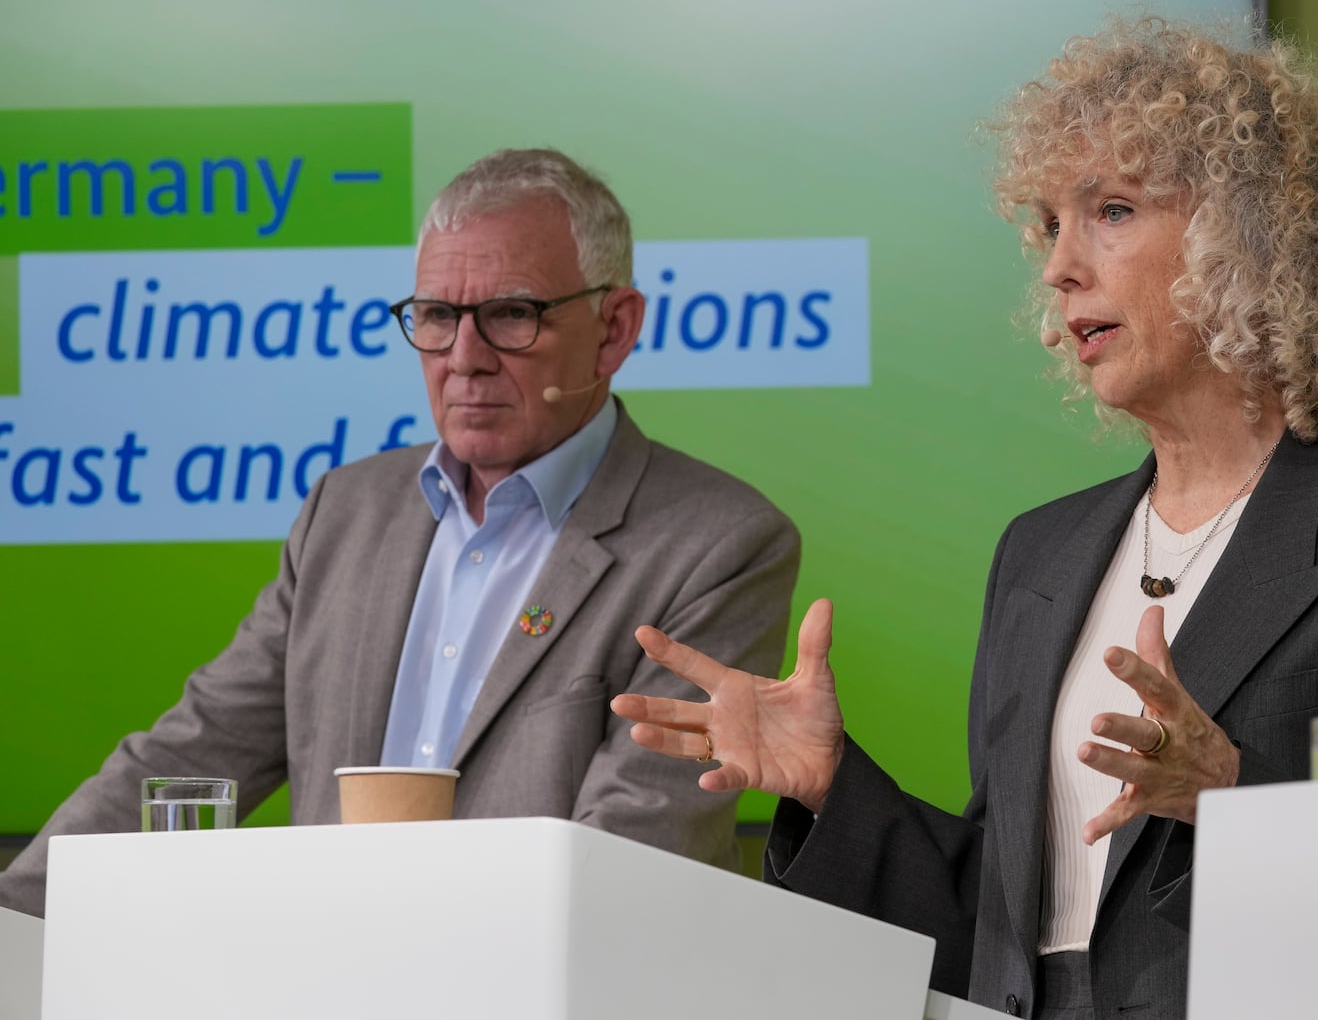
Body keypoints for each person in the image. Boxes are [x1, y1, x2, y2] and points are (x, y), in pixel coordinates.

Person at [610, 20, 1318, 1019]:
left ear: (1250, 237)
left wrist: (1233, 798)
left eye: (1112, 210)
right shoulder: (1040, 551)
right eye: (1047, 224)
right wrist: (832, 784)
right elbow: (997, 920)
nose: (1059, 267)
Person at [0, 148, 800, 917]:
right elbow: (194, 752)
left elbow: (636, 850)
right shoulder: (344, 512)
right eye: (436, 316)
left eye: (512, 315)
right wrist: (11, 916)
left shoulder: (718, 546)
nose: (464, 357)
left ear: (615, 328)